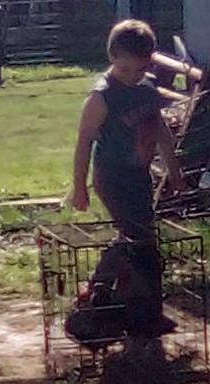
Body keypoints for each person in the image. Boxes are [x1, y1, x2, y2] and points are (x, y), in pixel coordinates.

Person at [72, 19, 184, 341]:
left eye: (139, 70)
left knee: (141, 241)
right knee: (140, 238)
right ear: (112, 57)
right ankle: (104, 292)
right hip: (111, 177)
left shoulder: (148, 88)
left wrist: (173, 170)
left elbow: (160, 130)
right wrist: (80, 187)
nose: (133, 77)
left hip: (139, 176)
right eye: (126, 71)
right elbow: (84, 142)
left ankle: (140, 307)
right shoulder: (102, 97)